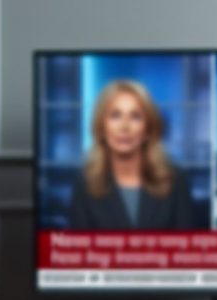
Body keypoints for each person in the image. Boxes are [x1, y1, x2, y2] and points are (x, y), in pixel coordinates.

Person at [68, 81, 194, 230]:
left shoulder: (176, 180)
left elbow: (187, 248)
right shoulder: (84, 183)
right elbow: (78, 250)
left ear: (148, 129)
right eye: (115, 115)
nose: (124, 126)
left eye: (135, 116)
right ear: (102, 127)